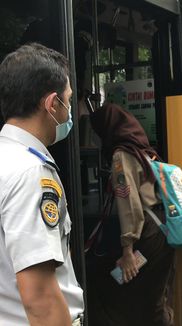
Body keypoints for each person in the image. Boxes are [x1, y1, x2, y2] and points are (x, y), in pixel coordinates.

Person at [0, 43, 84, 325]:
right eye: (68, 100)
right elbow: (40, 299)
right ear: (51, 104)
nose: (69, 111)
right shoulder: (31, 173)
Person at [88, 103, 175, 326]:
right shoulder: (142, 149)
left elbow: (129, 204)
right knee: (154, 298)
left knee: (111, 290)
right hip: (162, 231)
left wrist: (127, 250)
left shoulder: (121, 155)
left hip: (145, 236)